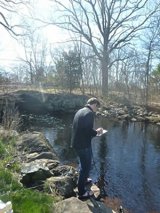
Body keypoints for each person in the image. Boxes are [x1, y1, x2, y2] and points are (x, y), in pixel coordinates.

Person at [71, 97, 103, 199]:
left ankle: (84, 180)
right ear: (94, 105)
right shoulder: (89, 113)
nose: (96, 110)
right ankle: (81, 192)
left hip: (76, 143)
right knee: (85, 167)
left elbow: (80, 128)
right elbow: (88, 131)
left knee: (82, 163)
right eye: (97, 107)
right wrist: (97, 132)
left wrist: (92, 132)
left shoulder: (80, 111)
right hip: (83, 145)